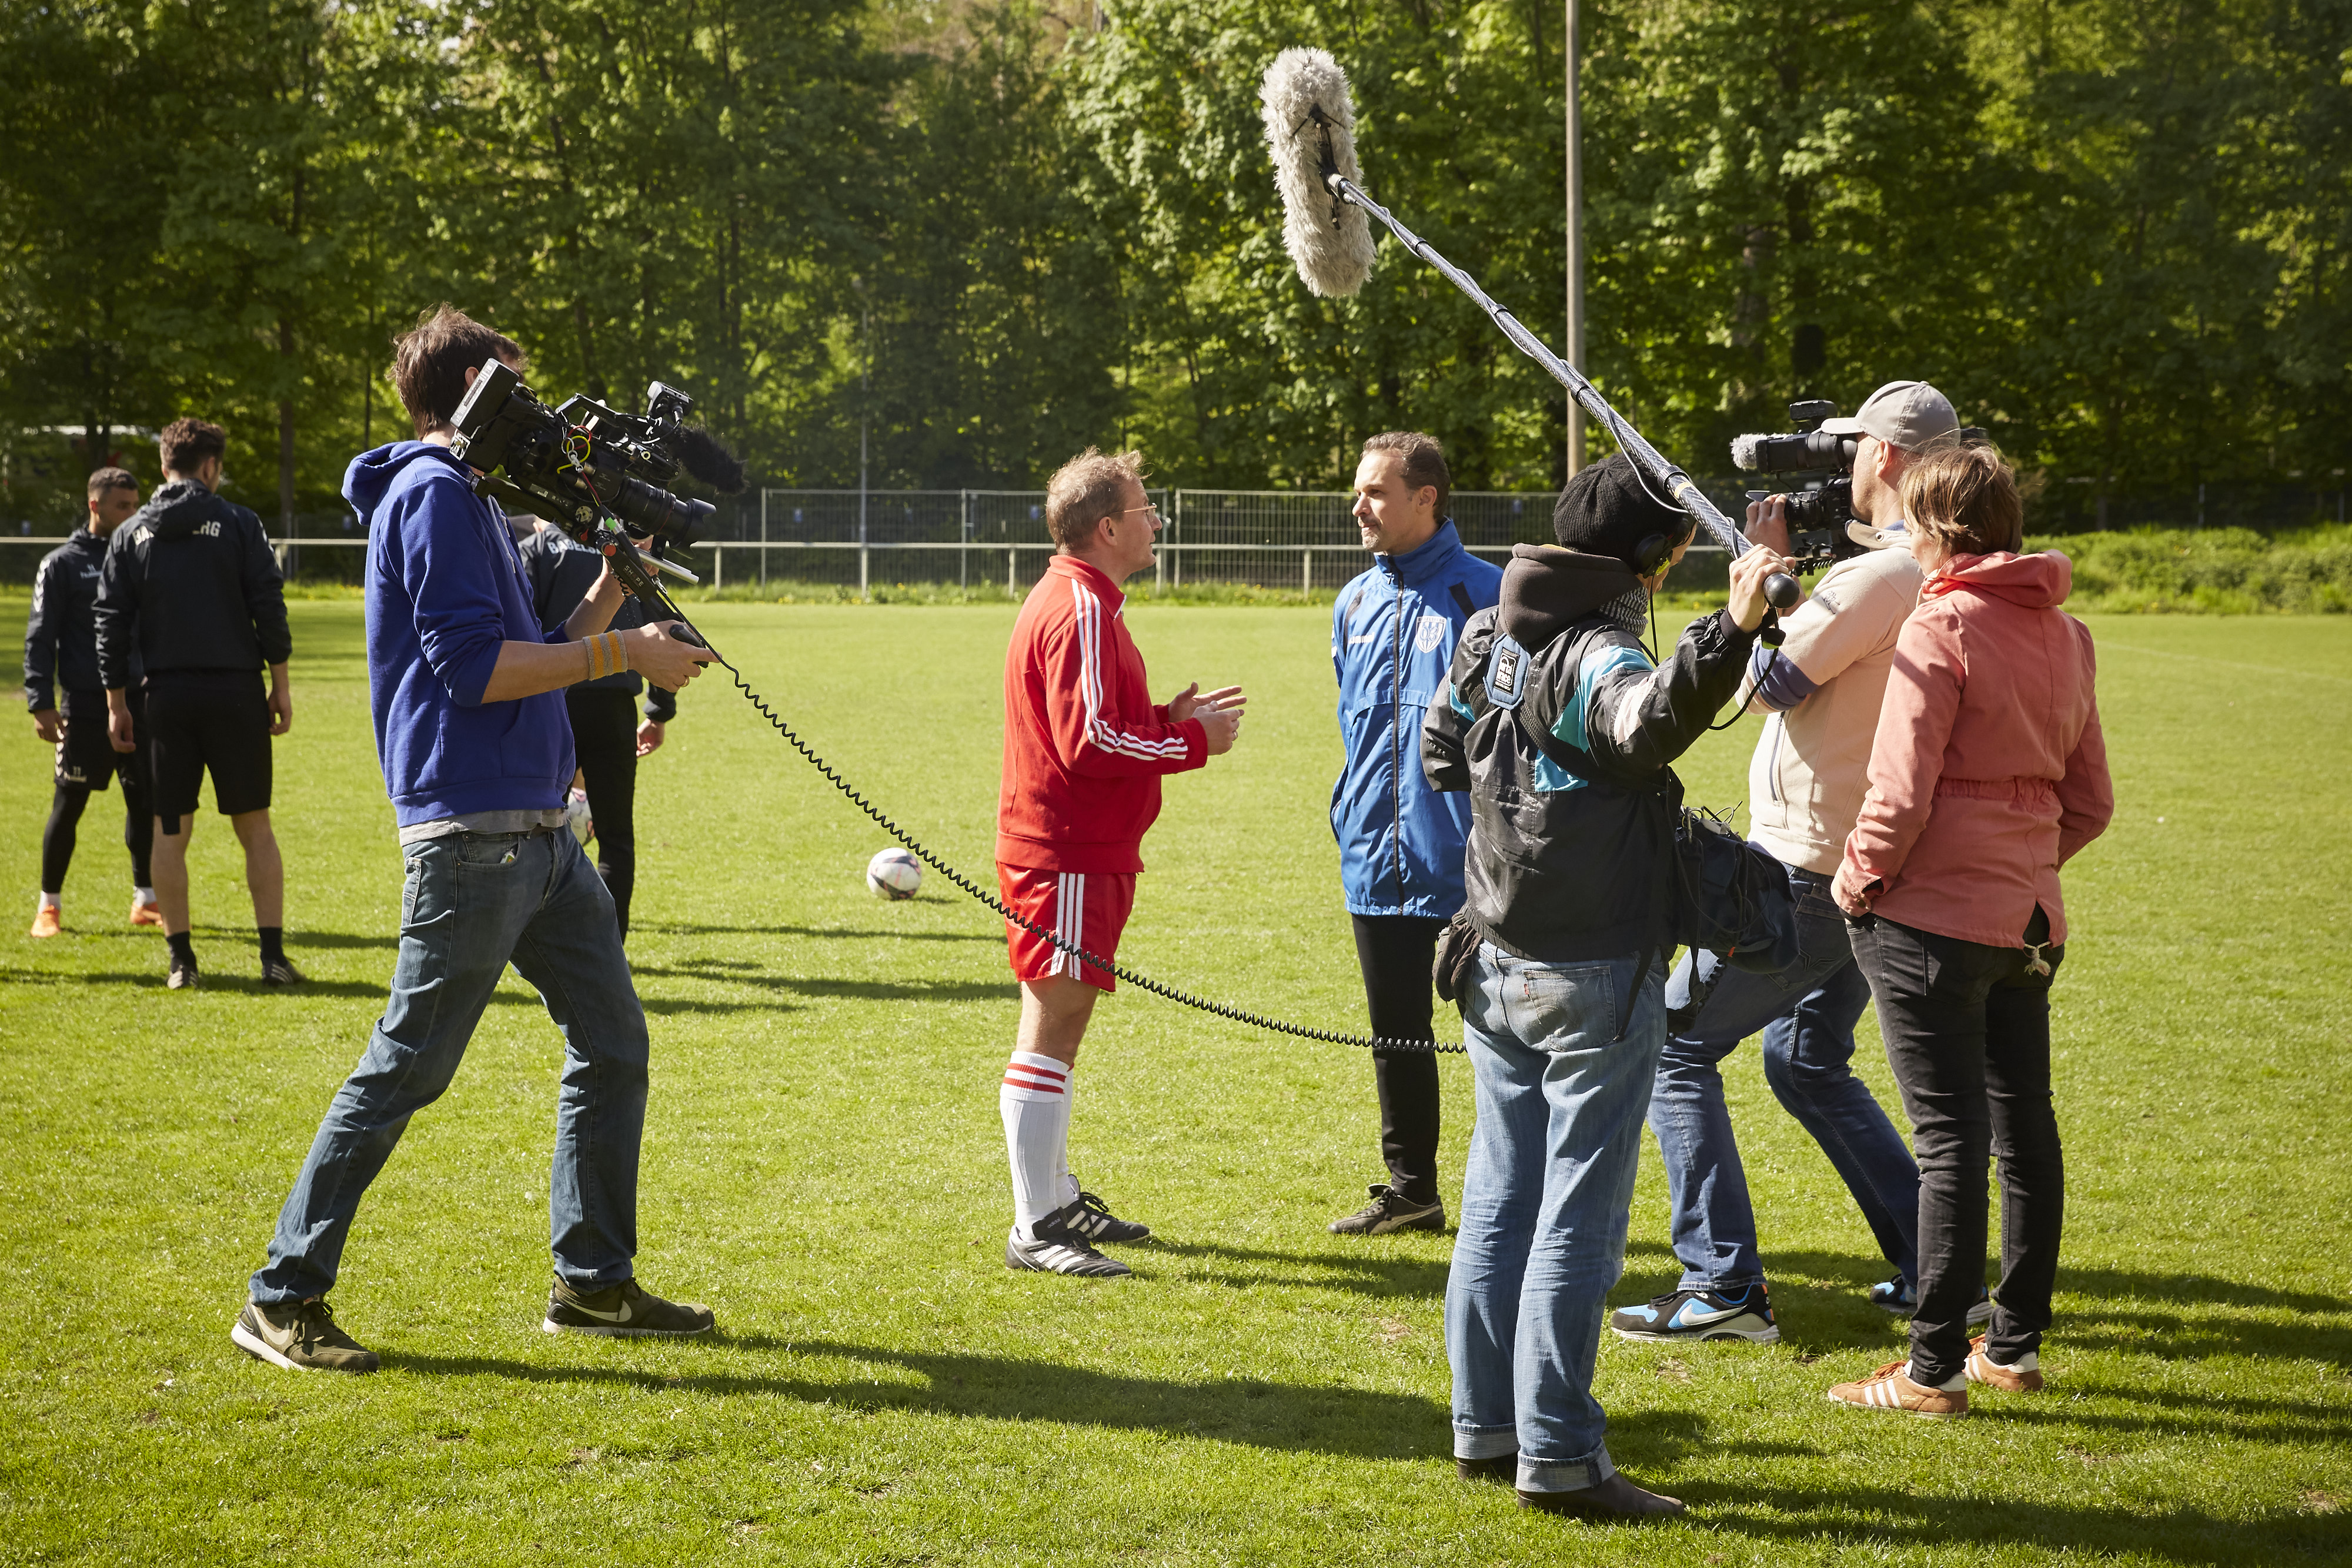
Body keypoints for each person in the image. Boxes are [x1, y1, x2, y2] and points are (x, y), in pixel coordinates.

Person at [232, 305, 720, 1374]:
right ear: (470, 397)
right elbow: (475, 672)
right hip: (474, 836)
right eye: (519, 388)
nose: (541, 417)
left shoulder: (480, 505)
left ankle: (591, 1283)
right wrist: (626, 651)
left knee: (614, 1041)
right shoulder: (436, 497)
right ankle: (281, 1294)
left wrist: (607, 594)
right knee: (406, 1067)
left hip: (541, 835)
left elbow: (532, 648)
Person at [1422, 454, 1796, 1519]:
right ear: (1645, 558)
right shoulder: (1597, 643)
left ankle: (1485, 1429)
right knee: (1576, 1213)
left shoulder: (1490, 627)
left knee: (1500, 1198)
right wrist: (1727, 629)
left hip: (1494, 953)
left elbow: (1443, 750)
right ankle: (1560, 1456)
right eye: (1672, 549)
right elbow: (1644, 726)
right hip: (1588, 969)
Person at [1609, 380, 1971, 1347]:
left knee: (1671, 1045)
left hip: (1808, 872)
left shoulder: (1883, 576)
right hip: (1865, 865)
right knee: (1806, 1060)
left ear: (1887, 458)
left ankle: (1723, 1288)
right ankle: (1940, 1271)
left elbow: (1771, 681)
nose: (1841, 467)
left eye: (1853, 449)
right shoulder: (1924, 567)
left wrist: (1755, 579)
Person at [1825, 442, 2112, 1418]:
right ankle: (2014, 1346)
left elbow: (1898, 792)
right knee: (2024, 1127)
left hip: (1932, 918)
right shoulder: (2067, 635)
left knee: (1950, 1140)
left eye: (1909, 521)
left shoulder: (1937, 625)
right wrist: (2021, 860)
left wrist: (1857, 882)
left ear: (1938, 528)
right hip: (2029, 918)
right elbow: (2092, 802)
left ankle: (1933, 1365)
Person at [995, 447, 1245, 1279]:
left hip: (1080, 849)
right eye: (1145, 510)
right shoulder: (1082, 606)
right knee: (1051, 1026)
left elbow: (1099, 716)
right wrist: (1189, 739)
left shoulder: (1084, 596)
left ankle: (1056, 1198)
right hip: (1065, 850)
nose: (1156, 522)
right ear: (1108, 527)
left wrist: (1159, 713)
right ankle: (1038, 1225)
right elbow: (1089, 739)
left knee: (1062, 1028)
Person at [1325, 432, 1501, 1236]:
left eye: (1375, 492)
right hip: (1373, 853)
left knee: (1505, 1040)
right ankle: (1412, 1189)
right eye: (1359, 492)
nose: (1359, 506)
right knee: (1396, 1032)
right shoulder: (1353, 600)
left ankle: (1512, 1194)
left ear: (1426, 498)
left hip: (1473, 864)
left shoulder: (1490, 597)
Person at [93, 419, 297, 989]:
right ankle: (273, 959)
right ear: (210, 467)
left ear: (164, 467)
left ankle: (181, 963)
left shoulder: (129, 534)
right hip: (235, 693)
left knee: (169, 831)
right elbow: (268, 606)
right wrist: (279, 684)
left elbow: (109, 624)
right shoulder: (238, 523)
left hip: (165, 698)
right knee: (255, 827)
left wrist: (116, 701)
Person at [518, 519, 679, 941]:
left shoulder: (535, 549)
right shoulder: (626, 551)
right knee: (615, 836)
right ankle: (609, 949)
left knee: (533, 831)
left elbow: (519, 626)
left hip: (553, 700)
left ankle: (539, 940)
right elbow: (663, 624)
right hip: (614, 707)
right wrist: (659, 709)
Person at [24, 467, 159, 937]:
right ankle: (49, 906)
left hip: (140, 702)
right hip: (82, 705)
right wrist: (40, 699)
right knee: (70, 804)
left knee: (145, 801)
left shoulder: (140, 555)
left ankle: (145, 898)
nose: (132, 514)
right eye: (123, 506)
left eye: (135, 505)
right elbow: (40, 636)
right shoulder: (61, 564)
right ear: (95, 505)